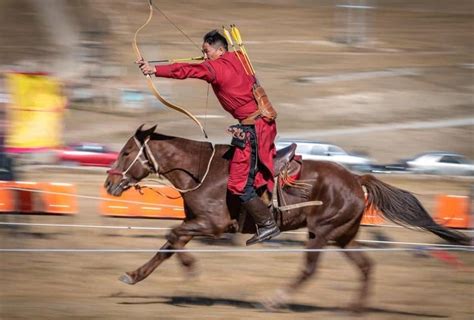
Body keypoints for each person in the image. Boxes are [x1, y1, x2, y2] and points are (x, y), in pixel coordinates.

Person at [137, 30, 279, 245]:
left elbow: (187, 70)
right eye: (202, 51)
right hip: (262, 122)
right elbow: (199, 65)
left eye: (207, 51)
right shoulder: (238, 57)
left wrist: (155, 69)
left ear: (221, 50)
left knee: (238, 184)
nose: (204, 56)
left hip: (254, 128)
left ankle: (267, 223)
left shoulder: (217, 68)